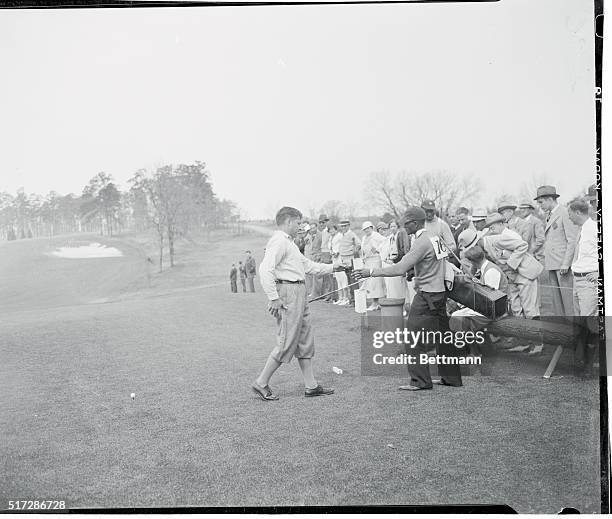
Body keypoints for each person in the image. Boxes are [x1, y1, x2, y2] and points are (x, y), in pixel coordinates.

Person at [354, 206, 463, 391]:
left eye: (406, 224)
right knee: (444, 338)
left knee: (413, 337)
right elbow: (439, 263)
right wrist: (418, 272)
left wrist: (370, 272)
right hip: (439, 294)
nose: (404, 227)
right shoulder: (434, 237)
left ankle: (420, 381)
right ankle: (451, 378)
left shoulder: (421, 241)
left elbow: (399, 269)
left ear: (415, 223)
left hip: (427, 296)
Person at [252, 206, 342, 401]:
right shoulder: (279, 242)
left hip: (299, 292)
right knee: (287, 341)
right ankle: (261, 382)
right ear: (288, 222)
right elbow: (265, 269)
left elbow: (308, 266)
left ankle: (311, 386)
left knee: (304, 341)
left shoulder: (289, 243)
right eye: (298, 223)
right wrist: (274, 298)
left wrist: (334, 267)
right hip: (288, 292)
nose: (300, 226)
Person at [481, 212, 544, 354]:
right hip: (513, 277)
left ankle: (538, 343)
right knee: (516, 309)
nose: (491, 229)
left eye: (493, 226)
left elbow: (523, 246)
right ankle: (524, 341)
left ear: (502, 223)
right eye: (489, 227)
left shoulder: (510, 235)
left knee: (530, 309)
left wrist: (510, 264)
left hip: (525, 274)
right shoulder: (493, 237)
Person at [449, 245, 508, 358]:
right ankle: (477, 349)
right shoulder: (483, 268)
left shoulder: (491, 271)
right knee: (457, 312)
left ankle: (475, 352)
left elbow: (491, 298)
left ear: (473, 261)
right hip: (489, 306)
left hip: (497, 309)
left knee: (459, 318)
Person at [535, 185, 578, 317]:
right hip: (552, 264)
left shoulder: (565, 212)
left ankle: (575, 332)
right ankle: (563, 331)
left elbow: (572, 240)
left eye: (541, 202)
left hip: (562, 265)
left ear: (550, 199)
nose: (540, 206)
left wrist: (566, 263)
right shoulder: (549, 215)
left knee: (568, 303)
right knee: (557, 304)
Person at [568, 198, 599, 374]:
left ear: (578, 212)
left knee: (590, 322)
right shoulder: (581, 230)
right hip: (577, 280)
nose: (569, 217)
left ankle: (588, 365)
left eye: (570, 214)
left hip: (589, 282)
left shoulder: (594, 228)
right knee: (580, 321)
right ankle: (582, 360)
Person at [360, 221, 386, 311]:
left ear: (371, 227)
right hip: (367, 261)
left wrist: (378, 249)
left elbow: (385, 241)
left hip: (375, 261)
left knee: (375, 282)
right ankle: (375, 303)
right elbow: (363, 249)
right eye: (365, 229)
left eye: (368, 228)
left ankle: (376, 303)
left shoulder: (376, 235)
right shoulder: (364, 238)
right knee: (369, 283)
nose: (366, 230)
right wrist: (363, 257)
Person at [379, 221, 407, 300]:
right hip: (391, 261)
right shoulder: (390, 237)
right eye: (391, 227)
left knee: (399, 286)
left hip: (398, 262)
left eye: (394, 226)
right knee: (392, 285)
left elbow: (401, 250)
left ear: (397, 227)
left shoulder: (400, 235)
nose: (392, 228)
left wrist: (396, 261)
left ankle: (402, 303)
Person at [338, 219, 360, 304]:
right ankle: (352, 300)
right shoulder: (342, 235)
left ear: (348, 226)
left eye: (345, 226)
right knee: (348, 280)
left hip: (351, 260)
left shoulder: (352, 234)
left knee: (353, 280)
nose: (343, 228)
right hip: (344, 260)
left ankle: (356, 301)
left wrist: (353, 252)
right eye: (342, 226)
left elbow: (358, 244)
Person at [330, 224, 349, 305]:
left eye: (332, 229)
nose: (331, 231)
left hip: (340, 259)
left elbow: (342, 246)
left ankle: (346, 298)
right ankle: (340, 298)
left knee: (343, 279)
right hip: (334, 259)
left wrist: (337, 252)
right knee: (338, 280)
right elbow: (330, 248)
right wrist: (332, 253)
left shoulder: (340, 236)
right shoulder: (330, 238)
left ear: (336, 229)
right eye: (329, 230)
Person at [318, 214, 333, 302]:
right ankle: (327, 294)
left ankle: (331, 295)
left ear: (327, 221)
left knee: (329, 276)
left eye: (323, 222)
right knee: (325, 276)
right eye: (320, 222)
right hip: (323, 253)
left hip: (328, 253)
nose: (322, 224)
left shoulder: (330, 231)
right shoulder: (324, 231)